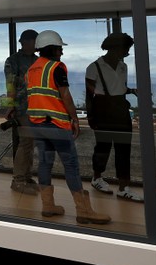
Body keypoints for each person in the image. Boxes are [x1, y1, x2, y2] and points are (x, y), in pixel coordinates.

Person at [26, 30, 110, 224]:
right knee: (71, 165)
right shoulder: (56, 68)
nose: (61, 52)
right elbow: (65, 96)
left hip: (37, 124)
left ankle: (48, 206)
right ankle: (83, 211)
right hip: (56, 125)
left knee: (45, 163)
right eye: (59, 48)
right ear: (51, 49)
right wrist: (74, 119)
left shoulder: (32, 69)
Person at [86, 32, 143, 202]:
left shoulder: (123, 66)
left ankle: (124, 187)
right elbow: (90, 95)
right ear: (116, 47)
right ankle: (97, 178)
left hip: (120, 109)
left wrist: (132, 91)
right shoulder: (94, 67)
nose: (127, 52)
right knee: (102, 147)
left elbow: (119, 88)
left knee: (124, 148)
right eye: (126, 48)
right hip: (102, 109)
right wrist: (91, 117)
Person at [3, 29, 39, 194]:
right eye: (35, 41)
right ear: (26, 42)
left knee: (30, 144)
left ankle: (26, 177)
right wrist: (11, 106)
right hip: (22, 108)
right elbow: (10, 84)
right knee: (25, 143)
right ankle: (17, 180)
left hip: (37, 107)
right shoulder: (13, 60)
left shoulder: (37, 60)